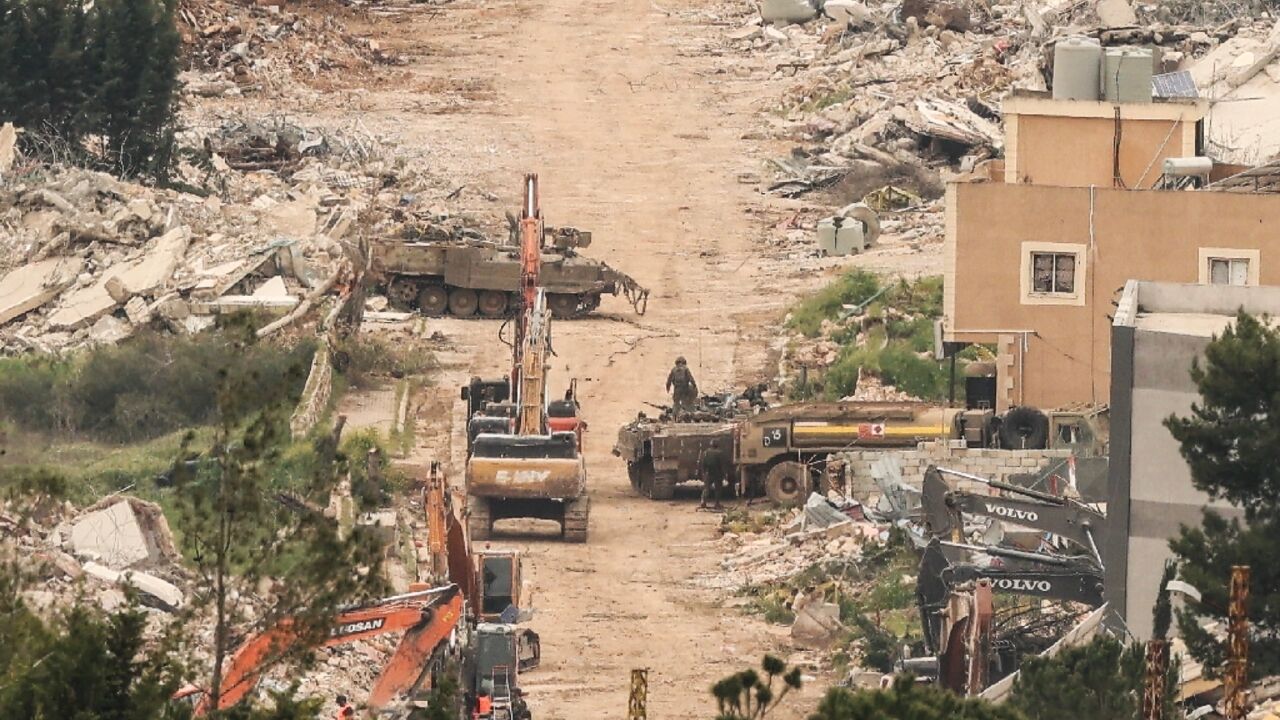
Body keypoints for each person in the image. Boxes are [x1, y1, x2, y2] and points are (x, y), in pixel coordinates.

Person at [700, 439, 728, 510]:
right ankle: (717, 504)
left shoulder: (706, 452)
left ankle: (703, 502)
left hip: (708, 473)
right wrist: (725, 474)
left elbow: (703, 463)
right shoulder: (720, 453)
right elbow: (722, 465)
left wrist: (703, 473)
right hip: (717, 473)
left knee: (706, 488)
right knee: (718, 489)